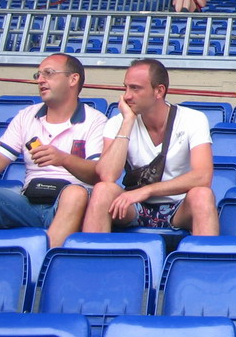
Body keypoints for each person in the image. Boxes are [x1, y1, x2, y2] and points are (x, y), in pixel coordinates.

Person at [83, 59, 218, 235]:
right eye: (126, 88)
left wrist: (146, 191)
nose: (127, 96)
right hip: (133, 206)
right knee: (102, 190)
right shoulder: (118, 122)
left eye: (135, 88)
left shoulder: (193, 119)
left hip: (178, 206)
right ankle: (91, 258)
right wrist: (127, 123)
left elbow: (203, 176)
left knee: (202, 195)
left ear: (159, 91)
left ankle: (206, 260)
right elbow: (107, 175)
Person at [0, 54, 104, 246]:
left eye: (49, 73)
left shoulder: (96, 120)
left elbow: (98, 175)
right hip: (27, 204)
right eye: (38, 74)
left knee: (75, 194)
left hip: (71, 204)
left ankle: (43, 269)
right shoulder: (26, 116)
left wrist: (63, 159)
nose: (40, 80)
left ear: (73, 79)